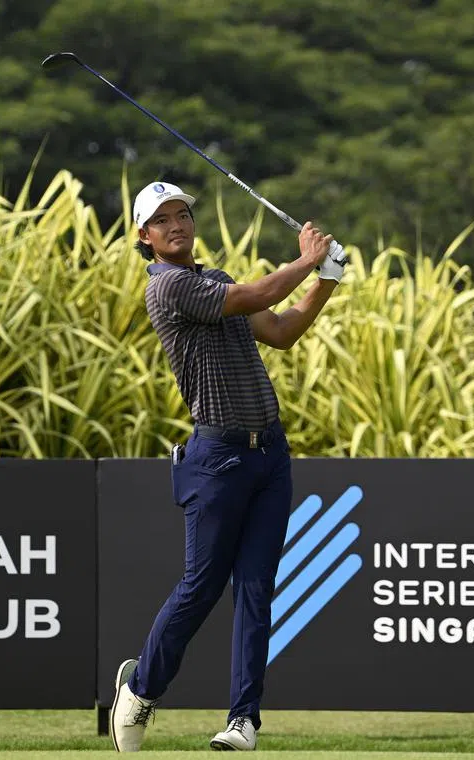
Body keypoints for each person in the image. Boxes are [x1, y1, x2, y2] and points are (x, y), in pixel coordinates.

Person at [110, 181, 346, 752]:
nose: (176, 225)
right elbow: (250, 298)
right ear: (145, 237)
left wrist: (327, 281)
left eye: (183, 215)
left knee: (256, 589)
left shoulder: (214, 279)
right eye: (161, 220)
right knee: (201, 585)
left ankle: (244, 719)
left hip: (270, 456)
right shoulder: (167, 288)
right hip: (216, 458)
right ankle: (141, 688)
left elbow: (283, 331)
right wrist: (307, 259)